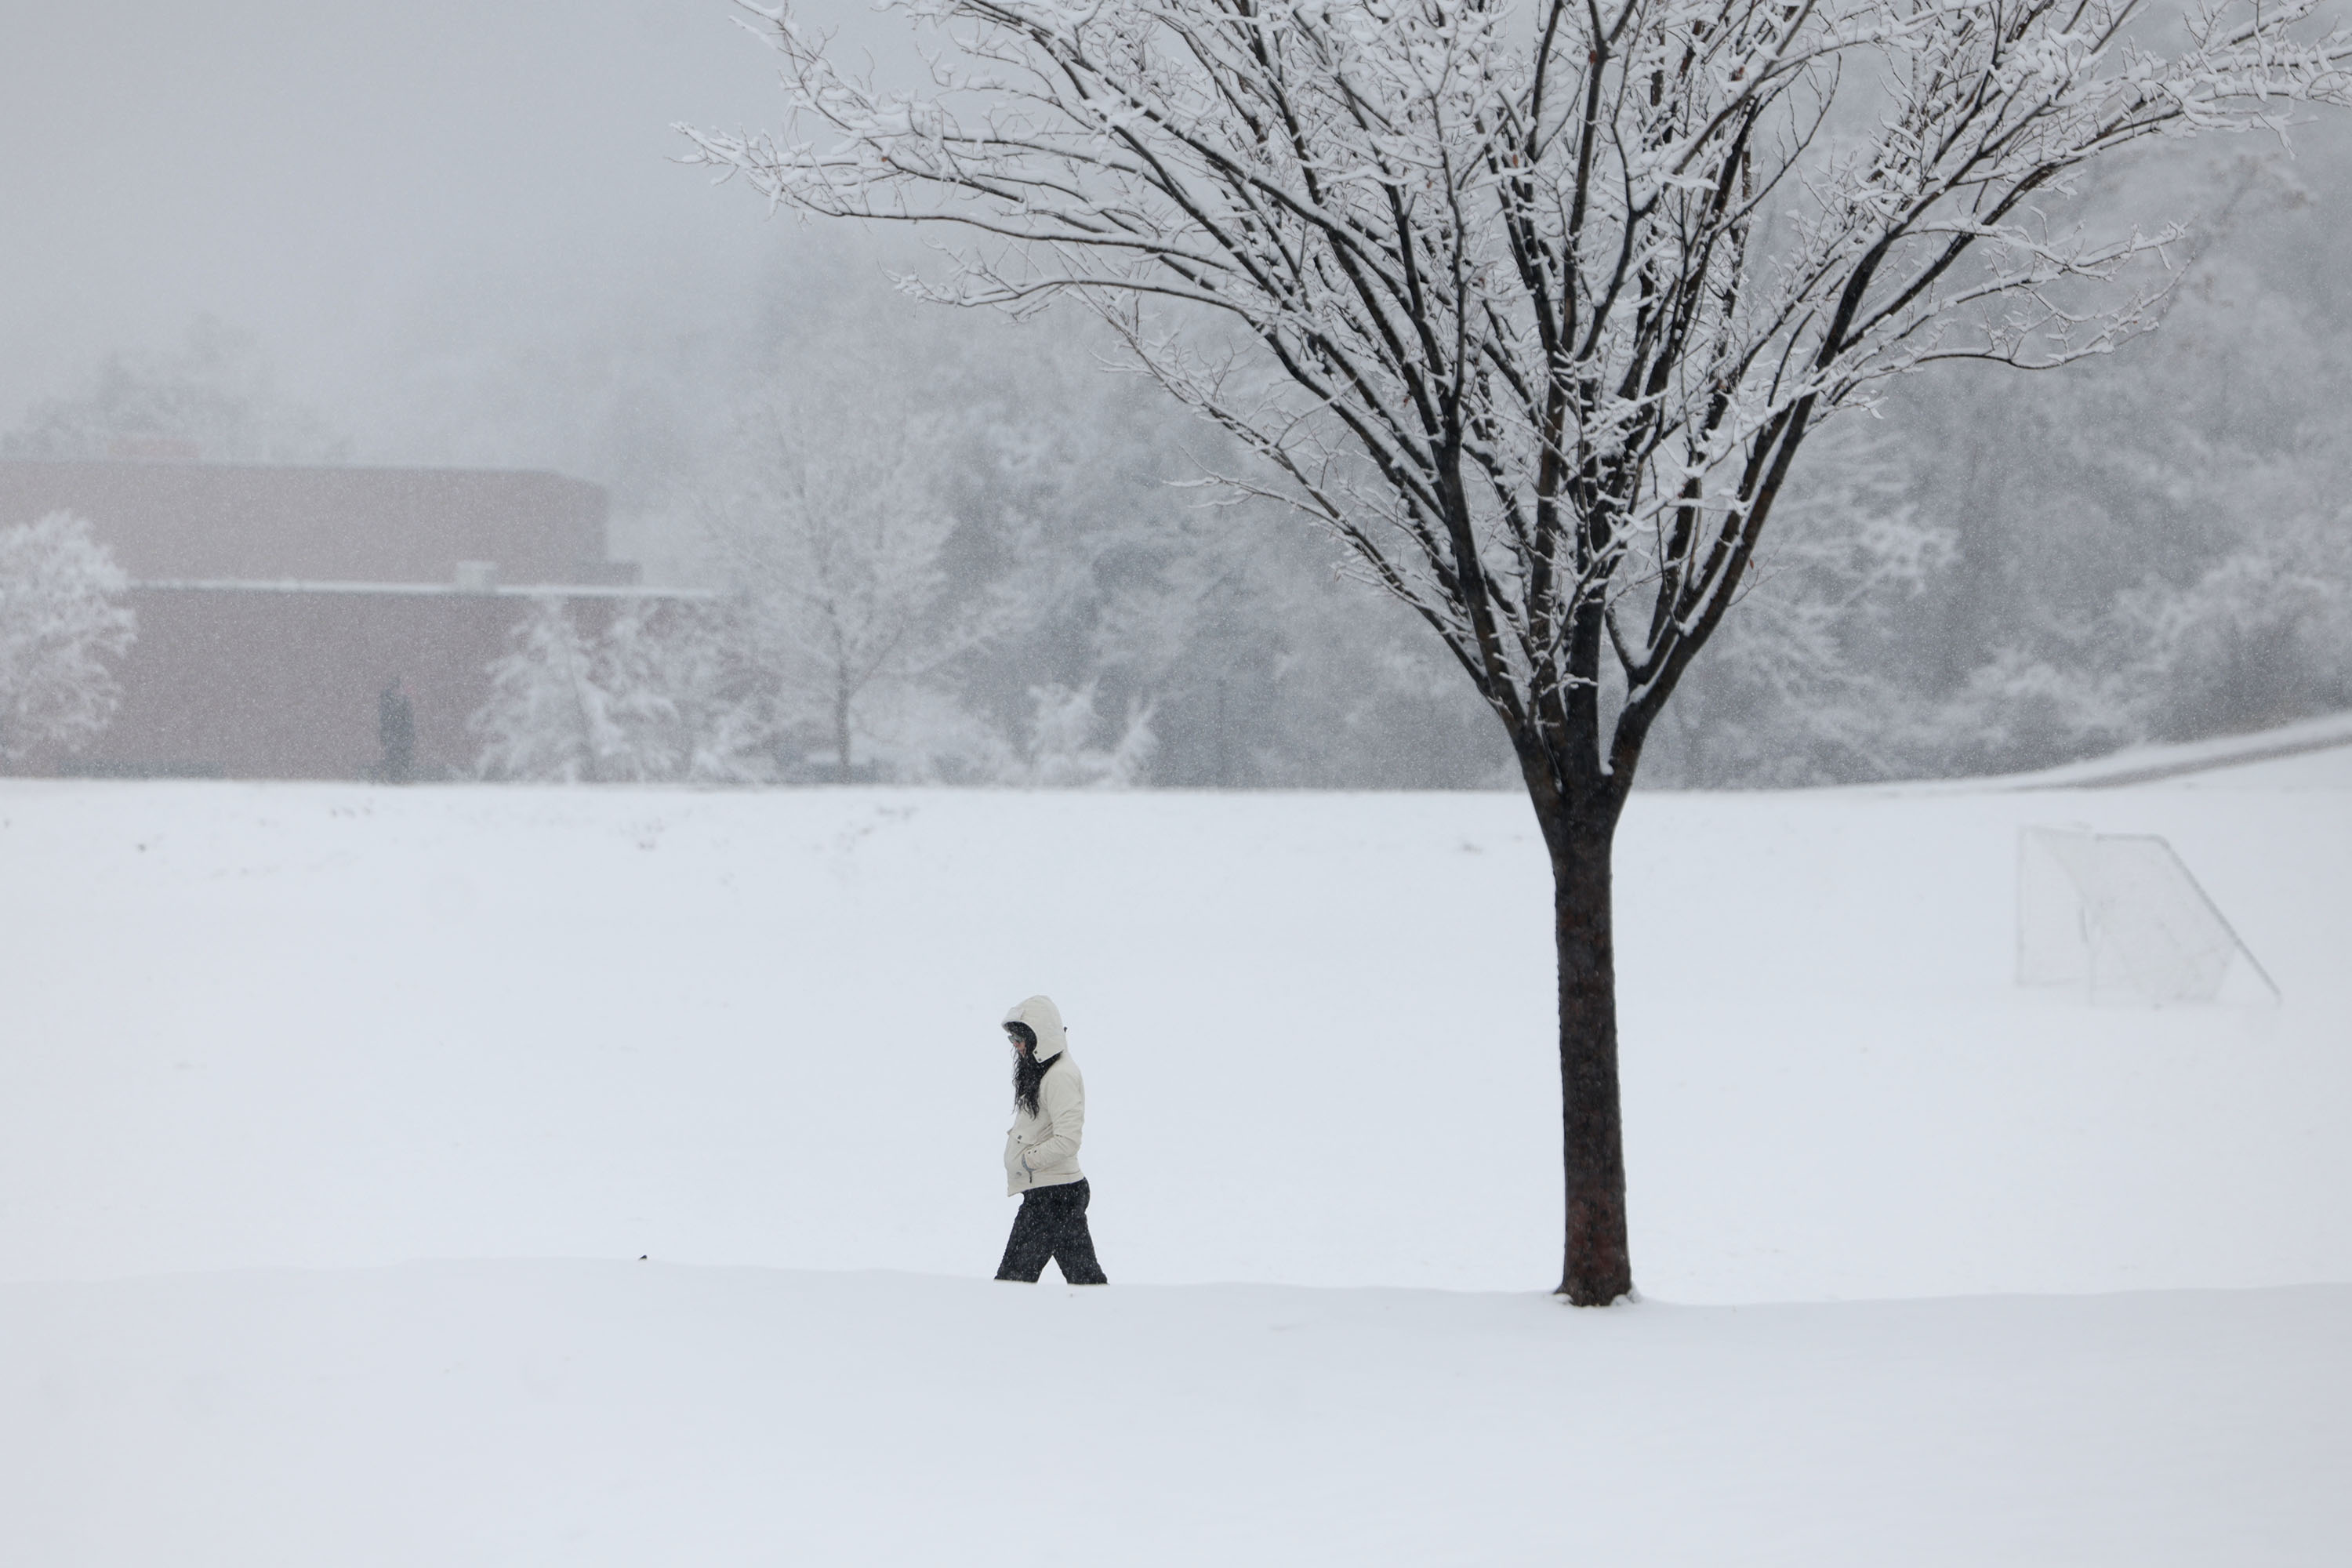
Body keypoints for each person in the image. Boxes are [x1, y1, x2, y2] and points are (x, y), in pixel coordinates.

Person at [996, 994, 1107, 1285]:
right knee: (1085, 1281)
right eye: (1012, 1040)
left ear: (1039, 1037)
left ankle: (1000, 1329)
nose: (1016, 1046)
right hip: (1056, 1193)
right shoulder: (1043, 1071)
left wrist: (1025, 1162)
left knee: (1012, 1283)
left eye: (1020, 1039)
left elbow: (1068, 1140)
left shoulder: (1059, 1076)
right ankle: (1108, 1323)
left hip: (1052, 1196)